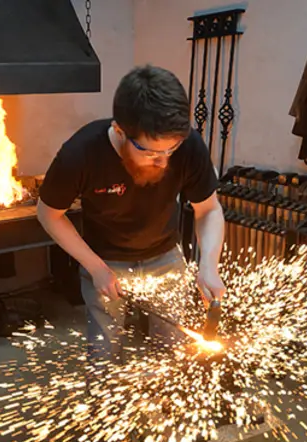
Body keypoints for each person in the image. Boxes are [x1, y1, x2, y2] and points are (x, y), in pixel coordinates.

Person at [36, 65, 226, 363]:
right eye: (150, 152)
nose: (163, 162)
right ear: (120, 131)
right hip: (105, 261)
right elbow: (49, 214)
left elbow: (210, 210)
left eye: (171, 150)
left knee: (171, 353)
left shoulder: (188, 146)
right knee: (103, 351)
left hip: (165, 258)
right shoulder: (80, 154)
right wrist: (95, 267)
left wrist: (209, 266)